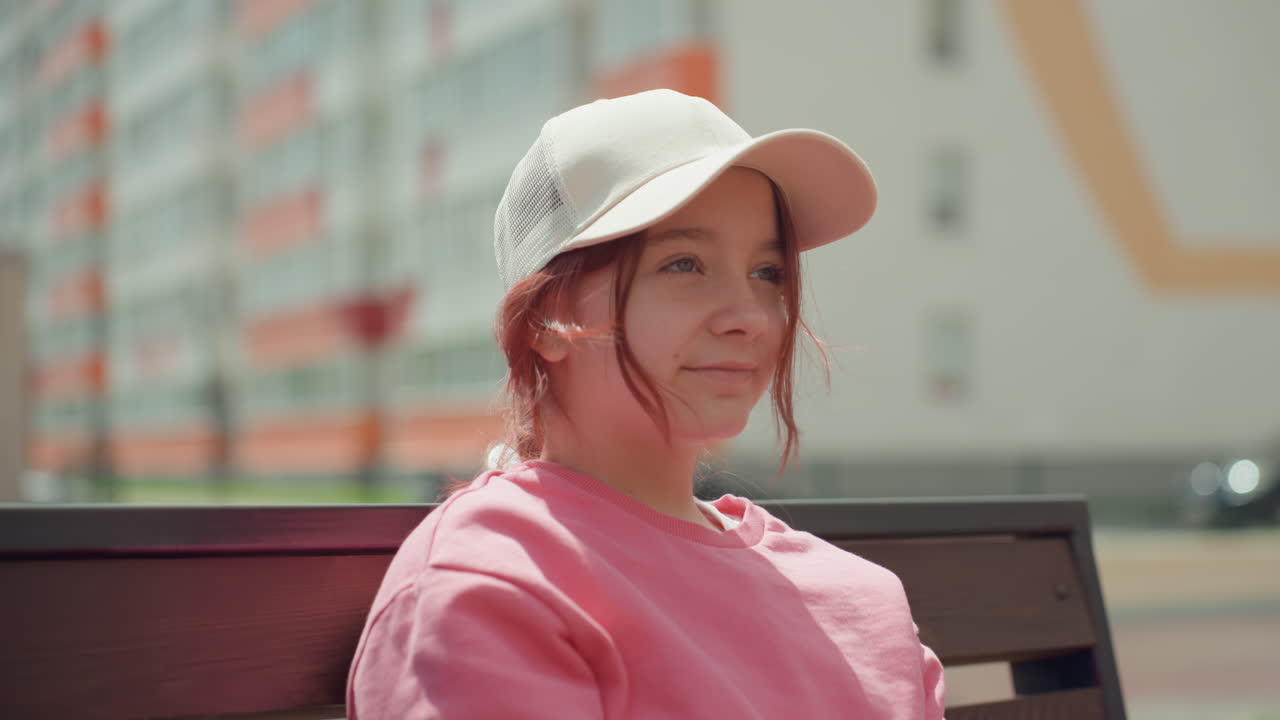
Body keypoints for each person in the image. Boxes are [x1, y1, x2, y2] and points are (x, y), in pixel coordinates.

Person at [346, 89, 946, 719]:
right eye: (684, 264)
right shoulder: (495, 579)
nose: (748, 317)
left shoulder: (864, 599)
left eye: (767, 273)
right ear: (548, 317)